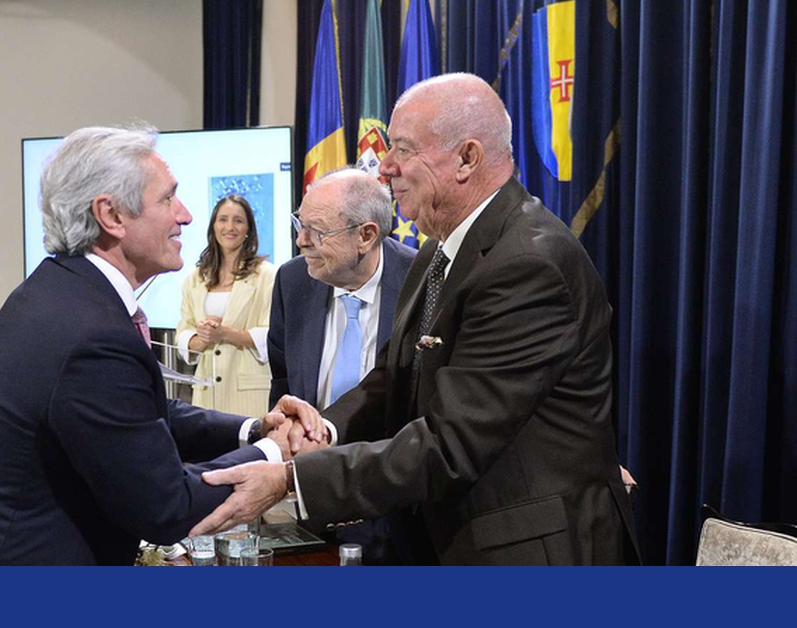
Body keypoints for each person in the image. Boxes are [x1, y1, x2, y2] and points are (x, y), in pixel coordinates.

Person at [192, 73, 641, 566]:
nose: (384, 167)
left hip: (528, 554)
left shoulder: (528, 264)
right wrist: (323, 429)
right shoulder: (437, 252)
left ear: (466, 158)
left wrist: (292, 479)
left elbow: (451, 442)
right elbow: (395, 377)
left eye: (403, 149)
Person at [0, 125, 322, 566]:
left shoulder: (58, 290)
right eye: (168, 198)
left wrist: (254, 429)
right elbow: (166, 507)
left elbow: (136, 413)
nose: (186, 215)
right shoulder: (93, 336)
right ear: (111, 216)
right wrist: (276, 453)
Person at [267, 168, 417, 563]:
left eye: (316, 231)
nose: (301, 240)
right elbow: (282, 379)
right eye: (299, 224)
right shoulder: (292, 282)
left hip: (400, 507)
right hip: (313, 503)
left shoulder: (421, 282)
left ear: (365, 235)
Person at [176, 194, 276, 416]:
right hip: (206, 392)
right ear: (213, 226)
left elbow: (272, 335)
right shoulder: (194, 278)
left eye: (238, 220)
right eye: (223, 219)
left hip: (249, 394)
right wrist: (202, 337)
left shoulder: (267, 275)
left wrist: (224, 333)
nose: (230, 227)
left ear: (248, 229)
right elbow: (183, 333)